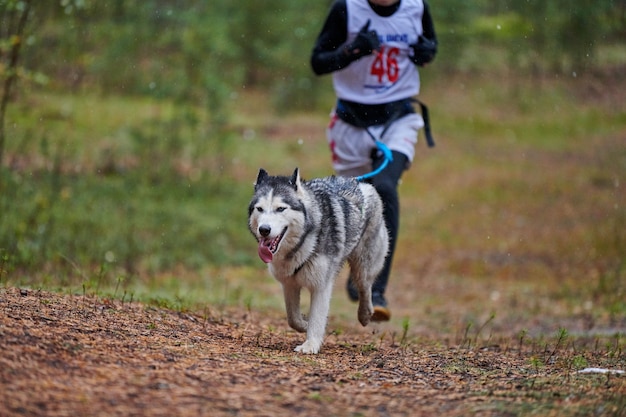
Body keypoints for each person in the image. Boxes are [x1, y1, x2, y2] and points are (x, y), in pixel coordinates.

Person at [310, 0, 437, 321]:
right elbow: (318, 62)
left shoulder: (416, 7)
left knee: (385, 189)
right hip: (351, 122)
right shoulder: (346, 9)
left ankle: (375, 287)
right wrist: (353, 50)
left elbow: (430, 47)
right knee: (358, 205)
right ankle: (358, 272)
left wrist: (426, 53)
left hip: (398, 118)